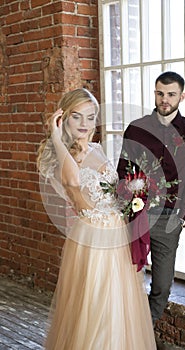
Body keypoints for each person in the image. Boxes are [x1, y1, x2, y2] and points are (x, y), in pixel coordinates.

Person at [37, 88, 156, 350]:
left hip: (116, 233)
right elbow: (74, 185)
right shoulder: (60, 156)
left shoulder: (97, 148)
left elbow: (111, 191)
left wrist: (134, 195)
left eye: (90, 117)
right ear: (63, 118)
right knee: (96, 305)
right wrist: (57, 139)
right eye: (76, 117)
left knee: (119, 305)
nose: (84, 124)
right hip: (92, 236)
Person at [117, 71, 185, 323]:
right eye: (160, 93)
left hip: (169, 220)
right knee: (129, 282)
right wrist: (127, 210)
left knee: (162, 287)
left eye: (171, 94)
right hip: (137, 217)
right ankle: (127, 335)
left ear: (182, 96)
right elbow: (123, 172)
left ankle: (142, 333)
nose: (164, 99)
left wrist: (183, 216)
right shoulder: (136, 129)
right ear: (155, 93)